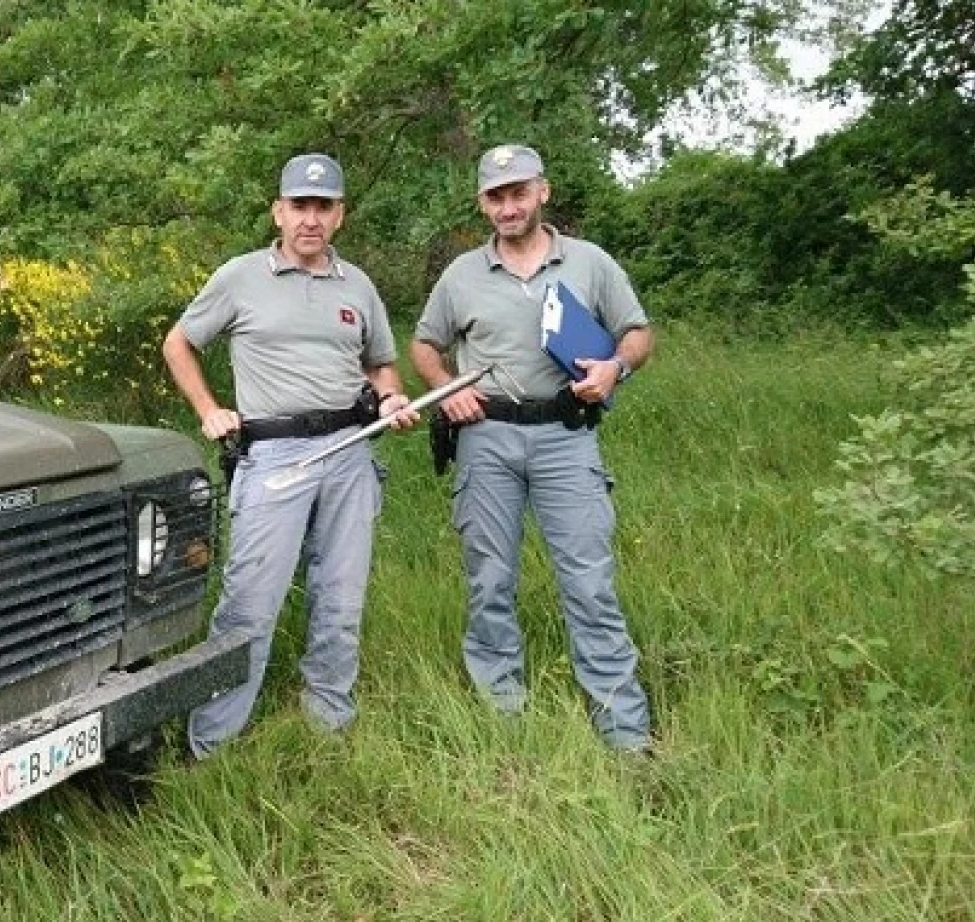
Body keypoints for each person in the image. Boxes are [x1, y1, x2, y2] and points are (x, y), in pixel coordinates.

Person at [162, 152, 417, 759]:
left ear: (339, 215)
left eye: (323, 206)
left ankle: (329, 721)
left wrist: (391, 396)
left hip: (350, 452)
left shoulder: (357, 286)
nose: (310, 218)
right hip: (274, 457)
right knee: (250, 602)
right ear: (278, 211)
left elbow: (379, 363)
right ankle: (212, 742)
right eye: (299, 205)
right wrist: (208, 410)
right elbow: (178, 343)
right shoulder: (240, 277)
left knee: (341, 595)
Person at [409, 144, 655, 753]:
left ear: (542, 192)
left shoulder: (590, 262)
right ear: (482, 204)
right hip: (486, 439)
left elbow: (638, 333)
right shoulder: (461, 274)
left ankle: (623, 727)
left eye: (519, 192)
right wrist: (445, 392)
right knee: (489, 580)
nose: (509, 206)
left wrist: (613, 370)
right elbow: (424, 345)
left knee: (589, 581)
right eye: (496, 196)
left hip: (566, 438)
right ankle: (502, 718)